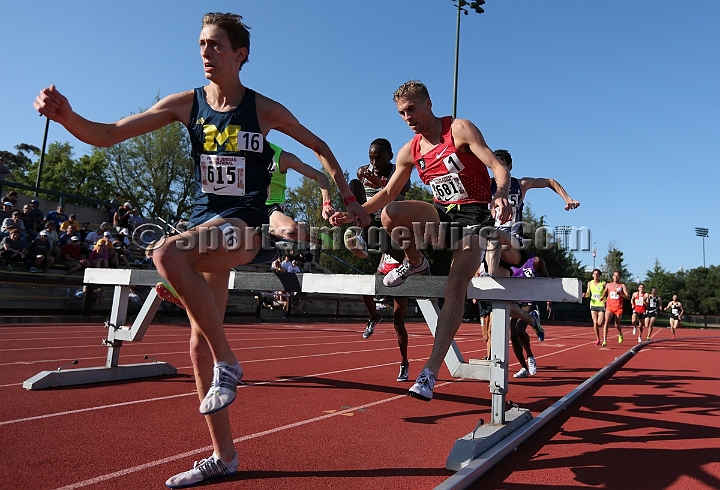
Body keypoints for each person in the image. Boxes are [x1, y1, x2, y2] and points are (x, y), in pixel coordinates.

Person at [34, 12, 369, 488]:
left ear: (240, 54)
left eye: (215, 45)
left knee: (166, 255)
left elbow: (321, 148)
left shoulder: (263, 109)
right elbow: (107, 135)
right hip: (204, 227)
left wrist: (345, 199)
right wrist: (67, 116)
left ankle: (230, 362)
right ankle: (223, 455)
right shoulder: (186, 105)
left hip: (246, 227)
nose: (205, 53)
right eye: (201, 45)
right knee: (195, 346)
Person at [332, 80, 511, 401]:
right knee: (390, 213)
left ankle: (429, 371)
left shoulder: (459, 130)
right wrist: (355, 210)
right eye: (401, 113)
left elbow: (497, 166)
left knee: (455, 287)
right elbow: (386, 193)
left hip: (475, 220)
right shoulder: (410, 150)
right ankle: (416, 261)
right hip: (442, 219)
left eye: (412, 109)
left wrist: (499, 195)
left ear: (428, 103)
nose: (407, 117)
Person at [345, 139, 410, 346]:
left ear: (390, 157)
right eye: (371, 158)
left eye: (379, 158)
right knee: (353, 185)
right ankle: (361, 235)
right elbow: (357, 179)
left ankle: (404, 362)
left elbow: (401, 190)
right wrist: (361, 174)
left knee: (399, 321)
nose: (374, 162)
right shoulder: (367, 170)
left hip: (393, 229)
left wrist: (380, 185)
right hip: (372, 224)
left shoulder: (398, 171)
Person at [266, 142, 334, 243]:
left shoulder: (281, 157)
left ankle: (309, 236)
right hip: (243, 205)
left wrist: (326, 204)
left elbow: (321, 177)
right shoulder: (237, 152)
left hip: (271, 208)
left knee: (292, 231)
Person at [602, 270, 629, 345]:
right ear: (612, 276)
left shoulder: (622, 286)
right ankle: (604, 340)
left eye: (617, 276)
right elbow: (605, 292)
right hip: (609, 306)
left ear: (619, 277)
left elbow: (628, 297)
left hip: (618, 307)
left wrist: (620, 294)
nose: (616, 277)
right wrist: (602, 298)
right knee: (606, 322)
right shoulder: (608, 285)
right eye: (614, 275)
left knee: (617, 324)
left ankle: (620, 333)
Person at [582, 268, 606, 345]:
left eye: (597, 274)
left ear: (599, 276)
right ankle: (598, 339)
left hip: (601, 305)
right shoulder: (590, 283)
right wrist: (585, 295)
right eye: (594, 274)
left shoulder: (603, 283)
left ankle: (604, 328)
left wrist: (605, 297)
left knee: (599, 322)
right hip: (593, 304)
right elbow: (588, 293)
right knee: (595, 323)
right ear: (592, 275)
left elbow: (608, 291)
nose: (596, 275)